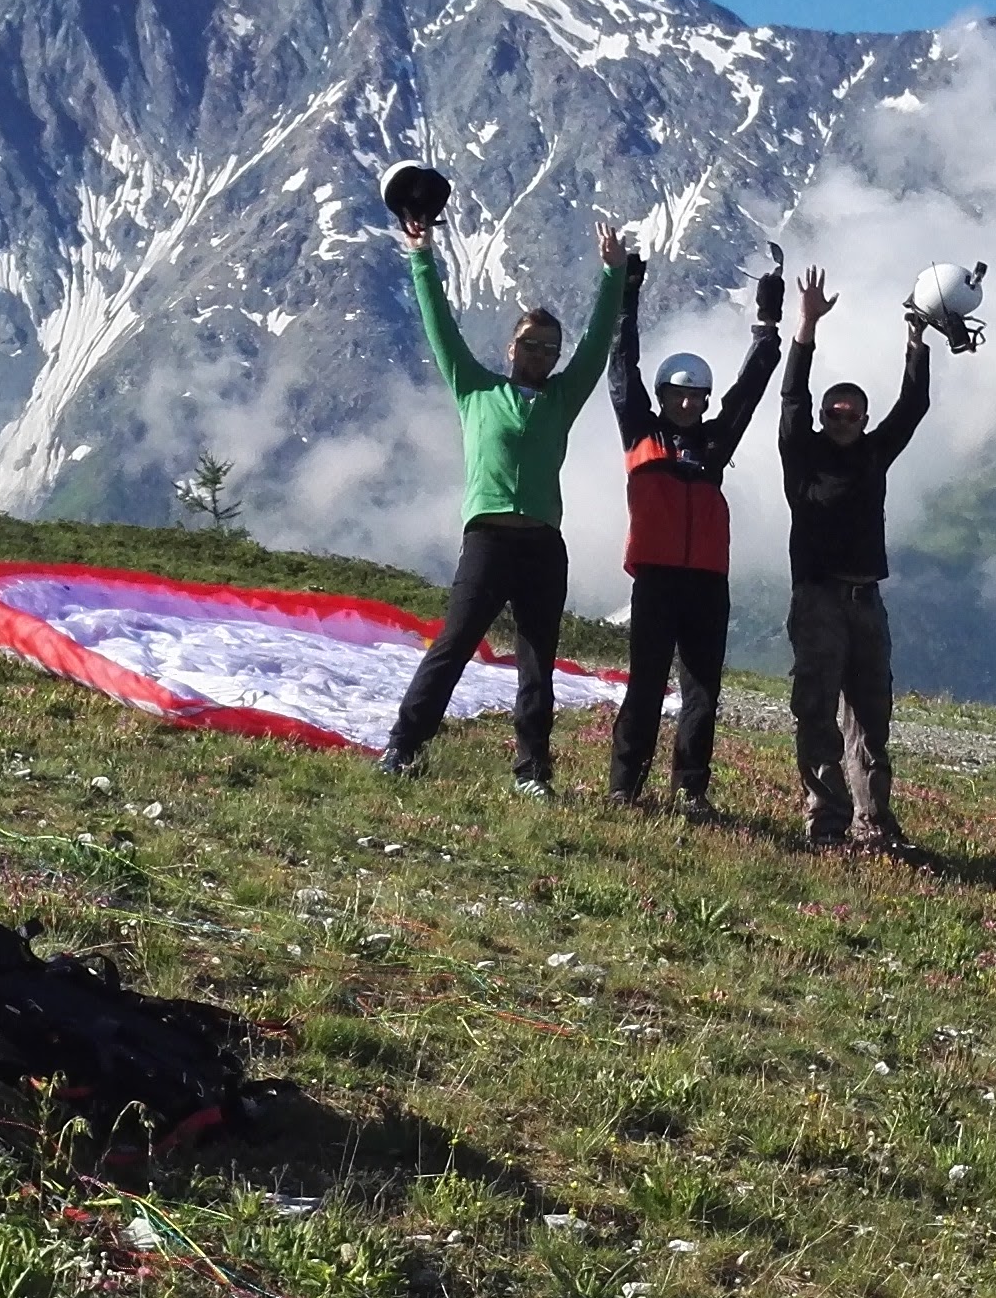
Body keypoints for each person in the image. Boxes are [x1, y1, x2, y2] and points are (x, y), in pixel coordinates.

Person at [378, 190, 632, 789]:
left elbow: (598, 344)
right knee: (454, 645)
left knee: (538, 663)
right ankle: (403, 746)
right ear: (509, 349)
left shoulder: (563, 398)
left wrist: (612, 275)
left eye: (550, 349)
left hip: (544, 546)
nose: (540, 355)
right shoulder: (474, 388)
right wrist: (422, 256)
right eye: (530, 345)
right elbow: (439, 324)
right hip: (488, 540)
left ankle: (531, 771)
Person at [601, 248, 780, 809]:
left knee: (703, 691)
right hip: (655, 579)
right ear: (662, 396)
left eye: (696, 394)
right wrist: (625, 294)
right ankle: (625, 787)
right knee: (647, 686)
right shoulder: (640, 432)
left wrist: (767, 328)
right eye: (678, 392)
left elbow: (748, 394)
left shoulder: (713, 442)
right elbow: (620, 367)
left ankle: (690, 792)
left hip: (707, 581)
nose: (687, 400)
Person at [775, 263, 933, 848]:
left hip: (868, 599)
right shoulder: (802, 451)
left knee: (871, 715)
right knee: (816, 711)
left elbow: (912, 407)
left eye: (852, 413)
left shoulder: (873, 453)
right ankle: (826, 819)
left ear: (864, 420)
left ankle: (873, 822)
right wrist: (806, 327)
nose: (842, 420)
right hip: (817, 597)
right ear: (821, 418)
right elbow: (790, 397)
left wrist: (917, 341)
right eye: (833, 412)